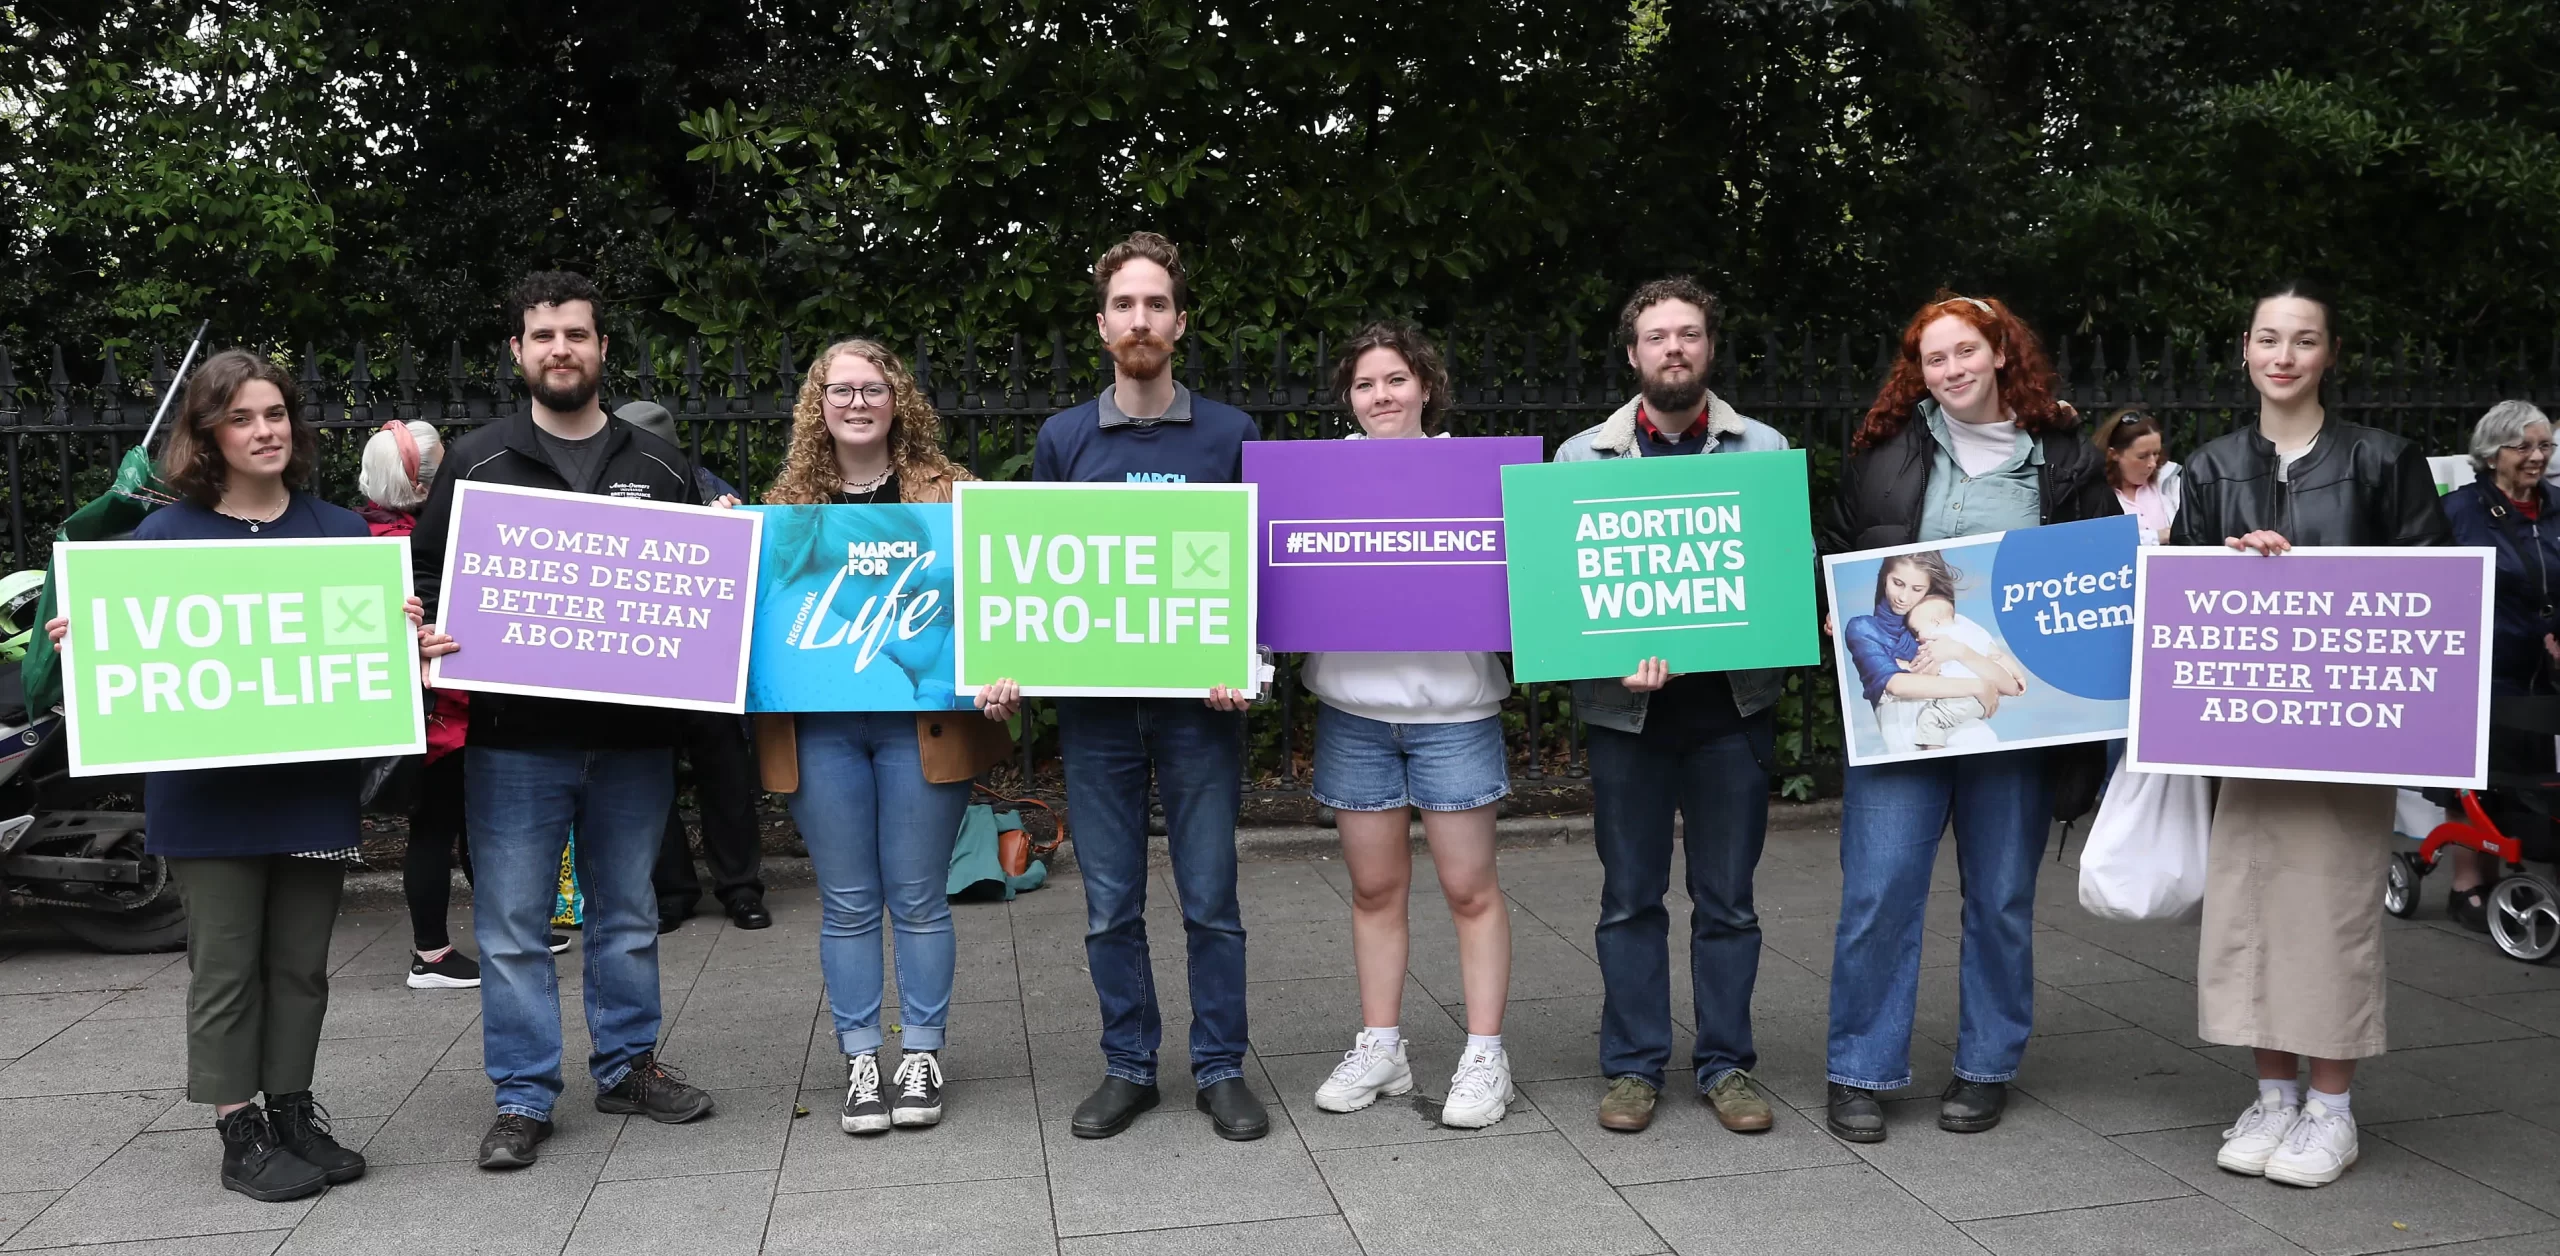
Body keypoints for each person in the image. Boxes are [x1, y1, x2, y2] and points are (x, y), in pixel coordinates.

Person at [45, 351, 425, 1200]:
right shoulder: (165, 536)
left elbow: (373, 663)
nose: (265, 431)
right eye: (244, 418)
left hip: (310, 790)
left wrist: (408, 637)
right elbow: (128, 663)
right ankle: (237, 1125)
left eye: (276, 414)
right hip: (207, 797)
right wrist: (90, 643)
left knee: (301, 964)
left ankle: (291, 1109)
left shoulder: (341, 533)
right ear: (209, 434)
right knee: (225, 965)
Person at [411, 272, 720, 1171]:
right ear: (517, 352)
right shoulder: (476, 463)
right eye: (543, 336)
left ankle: (628, 1067)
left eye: (576, 335)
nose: (560, 350)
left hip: (634, 743)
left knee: (626, 913)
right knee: (512, 926)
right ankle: (521, 1096)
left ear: (602, 350)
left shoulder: (661, 467)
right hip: (514, 742)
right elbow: (426, 583)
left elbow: (704, 590)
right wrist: (427, 625)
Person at [974, 231, 1266, 1142]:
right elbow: (1042, 575)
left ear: (1182, 322)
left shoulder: (1234, 433)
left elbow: (1254, 578)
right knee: (1110, 905)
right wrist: (1013, 656)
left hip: (1198, 716)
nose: (1140, 319)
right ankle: (1129, 1067)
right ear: (1101, 325)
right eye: (1124, 305)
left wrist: (1242, 665)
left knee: (1212, 899)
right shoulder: (1063, 436)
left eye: (1156, 304)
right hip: (1097, 716)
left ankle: (1221, 1068)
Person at [1818, 292, 2116, 1145]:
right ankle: (1860, 1072)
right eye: (1933, 358)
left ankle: (1986, 1066)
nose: (1949, 371)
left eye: (1964, 353)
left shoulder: (2060, 459)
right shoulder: (1884, 452)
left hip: (2020, 728)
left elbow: (2099, 582)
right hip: (1900, 723)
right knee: (1878, 891)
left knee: (2000, 898)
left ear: (1999, 354)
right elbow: (1836, 550)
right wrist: (1831, 607)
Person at [2173, 281, 2451, 1188]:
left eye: (2303, 339)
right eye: (2267, 338)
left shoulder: (2383, 459)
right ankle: (2273, 1098)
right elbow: (2177, 602)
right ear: (2245, 352)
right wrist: (2225, 565)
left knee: (2332, 914)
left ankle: (2332, 1109)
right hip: (2244, 735)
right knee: (2248, 912)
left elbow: (2434, 593)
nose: (2283, 355)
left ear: (2330, 353)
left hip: (2346, 737)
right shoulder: (2209, 470)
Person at [755, 337, 1014, 1135]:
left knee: (920, 898)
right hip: (820, 726)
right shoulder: (786, 501)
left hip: (923, 723)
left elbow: (1000, 594)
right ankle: (863, 1058)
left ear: (897, 399)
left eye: (872, 388)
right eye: (841, 390)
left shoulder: (952, 493)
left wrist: (1006, 666)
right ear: (818, 403)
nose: (857, 402)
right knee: (847, 903)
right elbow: (758, 612)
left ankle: (924, 1052)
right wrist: (734, 543)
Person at [1554, 278, 1793, 1135]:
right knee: (1629, 899)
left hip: (1731, 715)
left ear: (1709, 349)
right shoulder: (1582, 459)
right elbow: (1566, 595)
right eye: (1657, 337)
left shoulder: (1762, 450)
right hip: (1630, 722)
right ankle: (1632, 1068)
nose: (1674, 349)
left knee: (1728, 900)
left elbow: (1779, 579)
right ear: (1632, 355)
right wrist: (1612, 660)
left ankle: (1727, 1065)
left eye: (1688, 334)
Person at [1299, 323, 1518, 1129]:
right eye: (1364, 385)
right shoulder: (1319, 479)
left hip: (1454, 713)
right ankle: (1382, 1047)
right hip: (1355, 713)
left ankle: (1485, 1054)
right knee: (1374, 889)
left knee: (1469, 889)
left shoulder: (1474, 474)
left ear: (1426, 385)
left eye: (1395, 380)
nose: (1381, 396)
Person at [611, 403, 772, 933]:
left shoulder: (709, 488)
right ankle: (672, 891)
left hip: (708, 661)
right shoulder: (601, 486)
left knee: (725, 776)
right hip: (638, 663)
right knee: (649, 779)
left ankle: (740, 887)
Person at [2440, 400, 2560, 930]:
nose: (2537, 458)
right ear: (2492, 454)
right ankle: (2467, 883)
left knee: (2529, 775)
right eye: (2525, 447)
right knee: (2473, 772)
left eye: (2545, 446)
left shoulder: (2557, 506)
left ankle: (2516, 871)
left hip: (2543, 668)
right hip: (2482, 662)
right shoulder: (2460, 511)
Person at [1841, 551, 2023, 756]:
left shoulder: (1948, 622)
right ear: (1884, 577)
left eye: (1917, 589)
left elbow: (2011, 687)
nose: (1903, 597)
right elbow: (1896, 685)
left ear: (1929, 588)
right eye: (1898, 583)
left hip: (1975, 743)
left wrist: (1959, 651)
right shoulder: (1864, 628)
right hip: (1911, 755)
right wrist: (1979, 686)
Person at [2094, 408, 2180, 545]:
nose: (2152, 464)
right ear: (2113, 454)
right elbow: (2098, 540)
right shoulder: (2095, 493)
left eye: (2156, 453)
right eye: (2142, 456)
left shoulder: (2169, 482)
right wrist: (2156, 537)